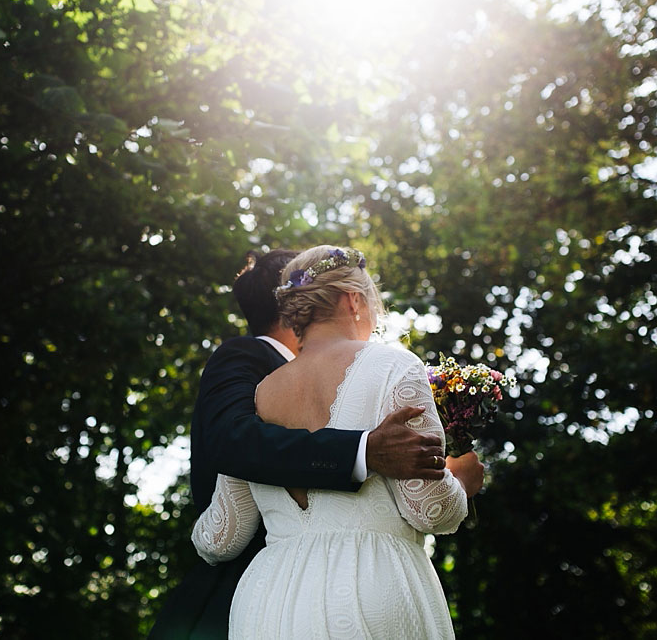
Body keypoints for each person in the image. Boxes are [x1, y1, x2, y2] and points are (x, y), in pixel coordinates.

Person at [149, 249, 455, 639]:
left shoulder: (261, 396)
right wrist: (453, 478)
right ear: (352, 299)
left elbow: (219, 537)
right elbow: (432, 511)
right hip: (372, 582)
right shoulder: (395, 366)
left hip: (268, 599)